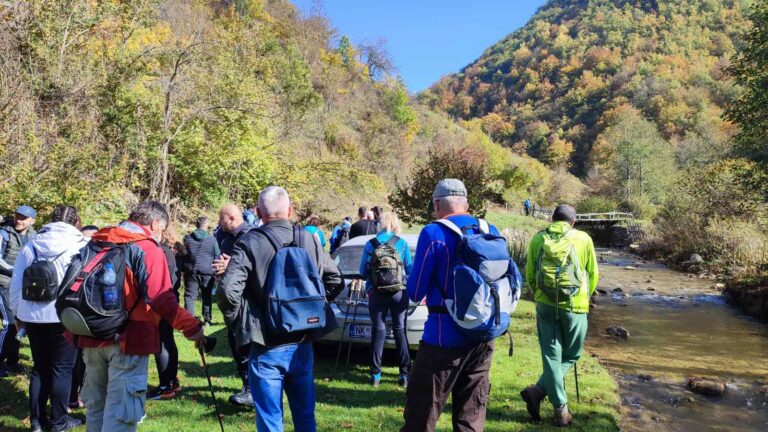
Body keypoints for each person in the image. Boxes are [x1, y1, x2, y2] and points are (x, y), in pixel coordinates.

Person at [218, 186, 344, 432]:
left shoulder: (249, 242)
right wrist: (314, 307)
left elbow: (227, 292)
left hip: (266, 343)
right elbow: (335, 279)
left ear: (257, 212)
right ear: (290, 210)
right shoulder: (308, 238)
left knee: (270, 421)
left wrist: (239, 323)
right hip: (302, 341)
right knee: (305, 416)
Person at [76, 201, 204, 432]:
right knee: (122, 415)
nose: (161, 235)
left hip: (91, 334)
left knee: (96, 409)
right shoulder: (146, 248)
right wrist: (192, 327)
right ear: (155, 223)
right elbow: (161, 298)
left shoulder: (98, 240)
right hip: (129, 341)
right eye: (162, 230)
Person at [401, 179, 499, 432]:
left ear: (437, 204)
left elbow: (415, 291)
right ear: (466, 204)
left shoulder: (433, 233)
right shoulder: (490, 229)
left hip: (443, 339)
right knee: (471, 417)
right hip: (483, 335)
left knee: (421, 415)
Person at [520, 204, 598, 427]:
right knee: (572, 355)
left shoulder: (538, 239)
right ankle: (557, 408)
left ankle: (542, 394)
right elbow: (592, 274)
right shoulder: (583, 239)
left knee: (551, 356)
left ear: (552, 219)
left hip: (545, 305)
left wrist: (538, 294)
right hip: (575, 306)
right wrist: (585, 296)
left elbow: (530, 273)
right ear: (573, 222)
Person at [10, 205, 87, 432]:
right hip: (65, 316)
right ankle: (59, 422)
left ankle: (36, 421)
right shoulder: (80, 245)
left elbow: (16, 282)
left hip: (32, 315)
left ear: (50, 220)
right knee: (62, 369)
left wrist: (17, 314)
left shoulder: (32, 245)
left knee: (39, 367)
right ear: (75, 223)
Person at [358, 211, 412, 388]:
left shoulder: (370, 243)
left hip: (376, 292)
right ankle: (404, 375)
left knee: (378, 330)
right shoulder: (402, 243)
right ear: (395, 223)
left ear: (380, 224)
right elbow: (410, 270)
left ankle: (375, 375)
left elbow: (362, 272)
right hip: (398, 293)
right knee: (400, 329)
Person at [213, 204, 257, 408]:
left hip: (248, 301)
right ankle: (247, 385)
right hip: (231, 297)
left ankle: (253, 389)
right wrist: (220, 269)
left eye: (221, 219)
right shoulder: (225, 238)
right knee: (235, 342)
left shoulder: (252, 235)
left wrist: (230, 265)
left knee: (246, 343)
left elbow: (256, 267)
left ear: (231, 218)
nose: (219, 222)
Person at [148, 223, 186, 400]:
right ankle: (171, 381)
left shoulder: (162, 251)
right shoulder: (174, 251)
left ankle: (166, 385)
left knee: (162, 342)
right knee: (168, 341)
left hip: (164, 299)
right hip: (171, 297)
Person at [0, 205, 37, 377]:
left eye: (23, 218)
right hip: (4, 284)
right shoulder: (3, 233)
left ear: (32, 221)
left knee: (18, 323)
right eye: (17, 216)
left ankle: (13, 361)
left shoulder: (35, 236)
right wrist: (17, 271)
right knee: (9, 323)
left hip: (22, 286)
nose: (19, 220)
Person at [183, 216, 220, 325]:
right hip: (207, 271)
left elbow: (183, 254)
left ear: (196, 225)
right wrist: (217, 271)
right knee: (206, 295)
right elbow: (217, 256)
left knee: (190, 297)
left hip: (191, 271)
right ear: (207, 226)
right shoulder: (212, 239)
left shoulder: (187, 238)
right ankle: (207, 320)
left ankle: (189, 322)